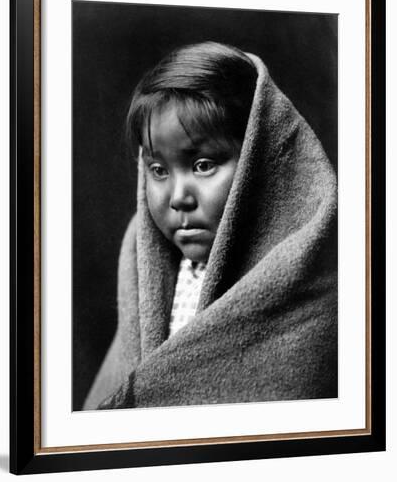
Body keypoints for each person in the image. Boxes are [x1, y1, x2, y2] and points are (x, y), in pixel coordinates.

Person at [83, 41, 338, 410]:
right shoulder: (143, 266)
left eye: (203, 165)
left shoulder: (314, 282)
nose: (178, 197)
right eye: (158, 170)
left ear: (260, 161)